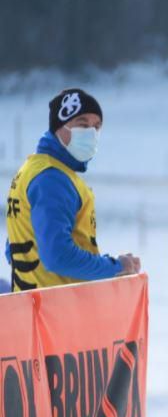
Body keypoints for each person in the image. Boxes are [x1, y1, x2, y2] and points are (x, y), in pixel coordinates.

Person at [5, 89, 140, 292]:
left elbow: (13, 247)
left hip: (31, 308)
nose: (91, 133)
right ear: (59, 127)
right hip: (55, 314)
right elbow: (58, 256)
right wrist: (115, 267)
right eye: (82, 125)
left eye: (96, 127)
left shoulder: (33, 168)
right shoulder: (53, 178)